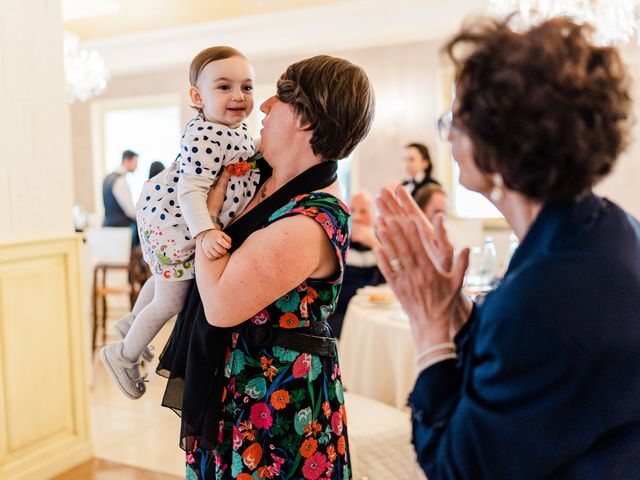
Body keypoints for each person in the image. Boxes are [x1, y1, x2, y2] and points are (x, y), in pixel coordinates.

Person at [375, 17, 640, 479]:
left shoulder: (545, 296)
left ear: (498, 149)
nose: (450, 136)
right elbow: (531, 371)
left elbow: (462, 469)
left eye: (453, 122)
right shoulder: (608, 225)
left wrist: (430, 329)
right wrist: (455, 311)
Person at [157, 54, 374, 479]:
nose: (265, 105)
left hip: (274, 404)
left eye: (282, 97)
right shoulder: (259, 174)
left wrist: (209, 223)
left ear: (305, 119)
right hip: (231, 384)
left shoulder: (311, 219)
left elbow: (218, 304)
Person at [100, 46, 260, 400]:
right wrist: (205, 231)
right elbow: (190, 191)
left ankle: (131, 326)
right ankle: (122, 355)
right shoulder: (206, 135)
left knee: (162, 283)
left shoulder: (234, 129)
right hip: (179, 227)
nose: (238, 96)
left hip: (170, 221)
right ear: (196, 96)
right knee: (172, 300)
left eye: (246, 87)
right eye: (224, 87)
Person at [329, 191, 382, 338]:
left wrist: (374, 244)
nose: (357, 217)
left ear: (374, 215)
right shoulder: (336, 240)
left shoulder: (381, 241)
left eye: (363, 211)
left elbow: (394, 278)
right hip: (341, 314)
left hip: (375, 313)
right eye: (353, 210)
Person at [102, 149, 139, 242]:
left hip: (107, 227)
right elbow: (130, 211)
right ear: (126, 161)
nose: (136, 166)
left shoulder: (107, 178)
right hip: (120, 230)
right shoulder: (121, 181)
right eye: (135, 162)